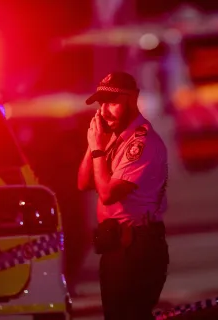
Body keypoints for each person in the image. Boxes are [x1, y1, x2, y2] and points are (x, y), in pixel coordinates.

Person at [77, 71, 169, 320]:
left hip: (139, 246)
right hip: (115, 245)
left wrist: (97, 151)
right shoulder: (112, 139)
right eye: (102, 103)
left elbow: (107, 194)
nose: (105, 111)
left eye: (114, 102)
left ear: (133, 99)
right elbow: (84, 183)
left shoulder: (141, 143)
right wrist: (93, 144)